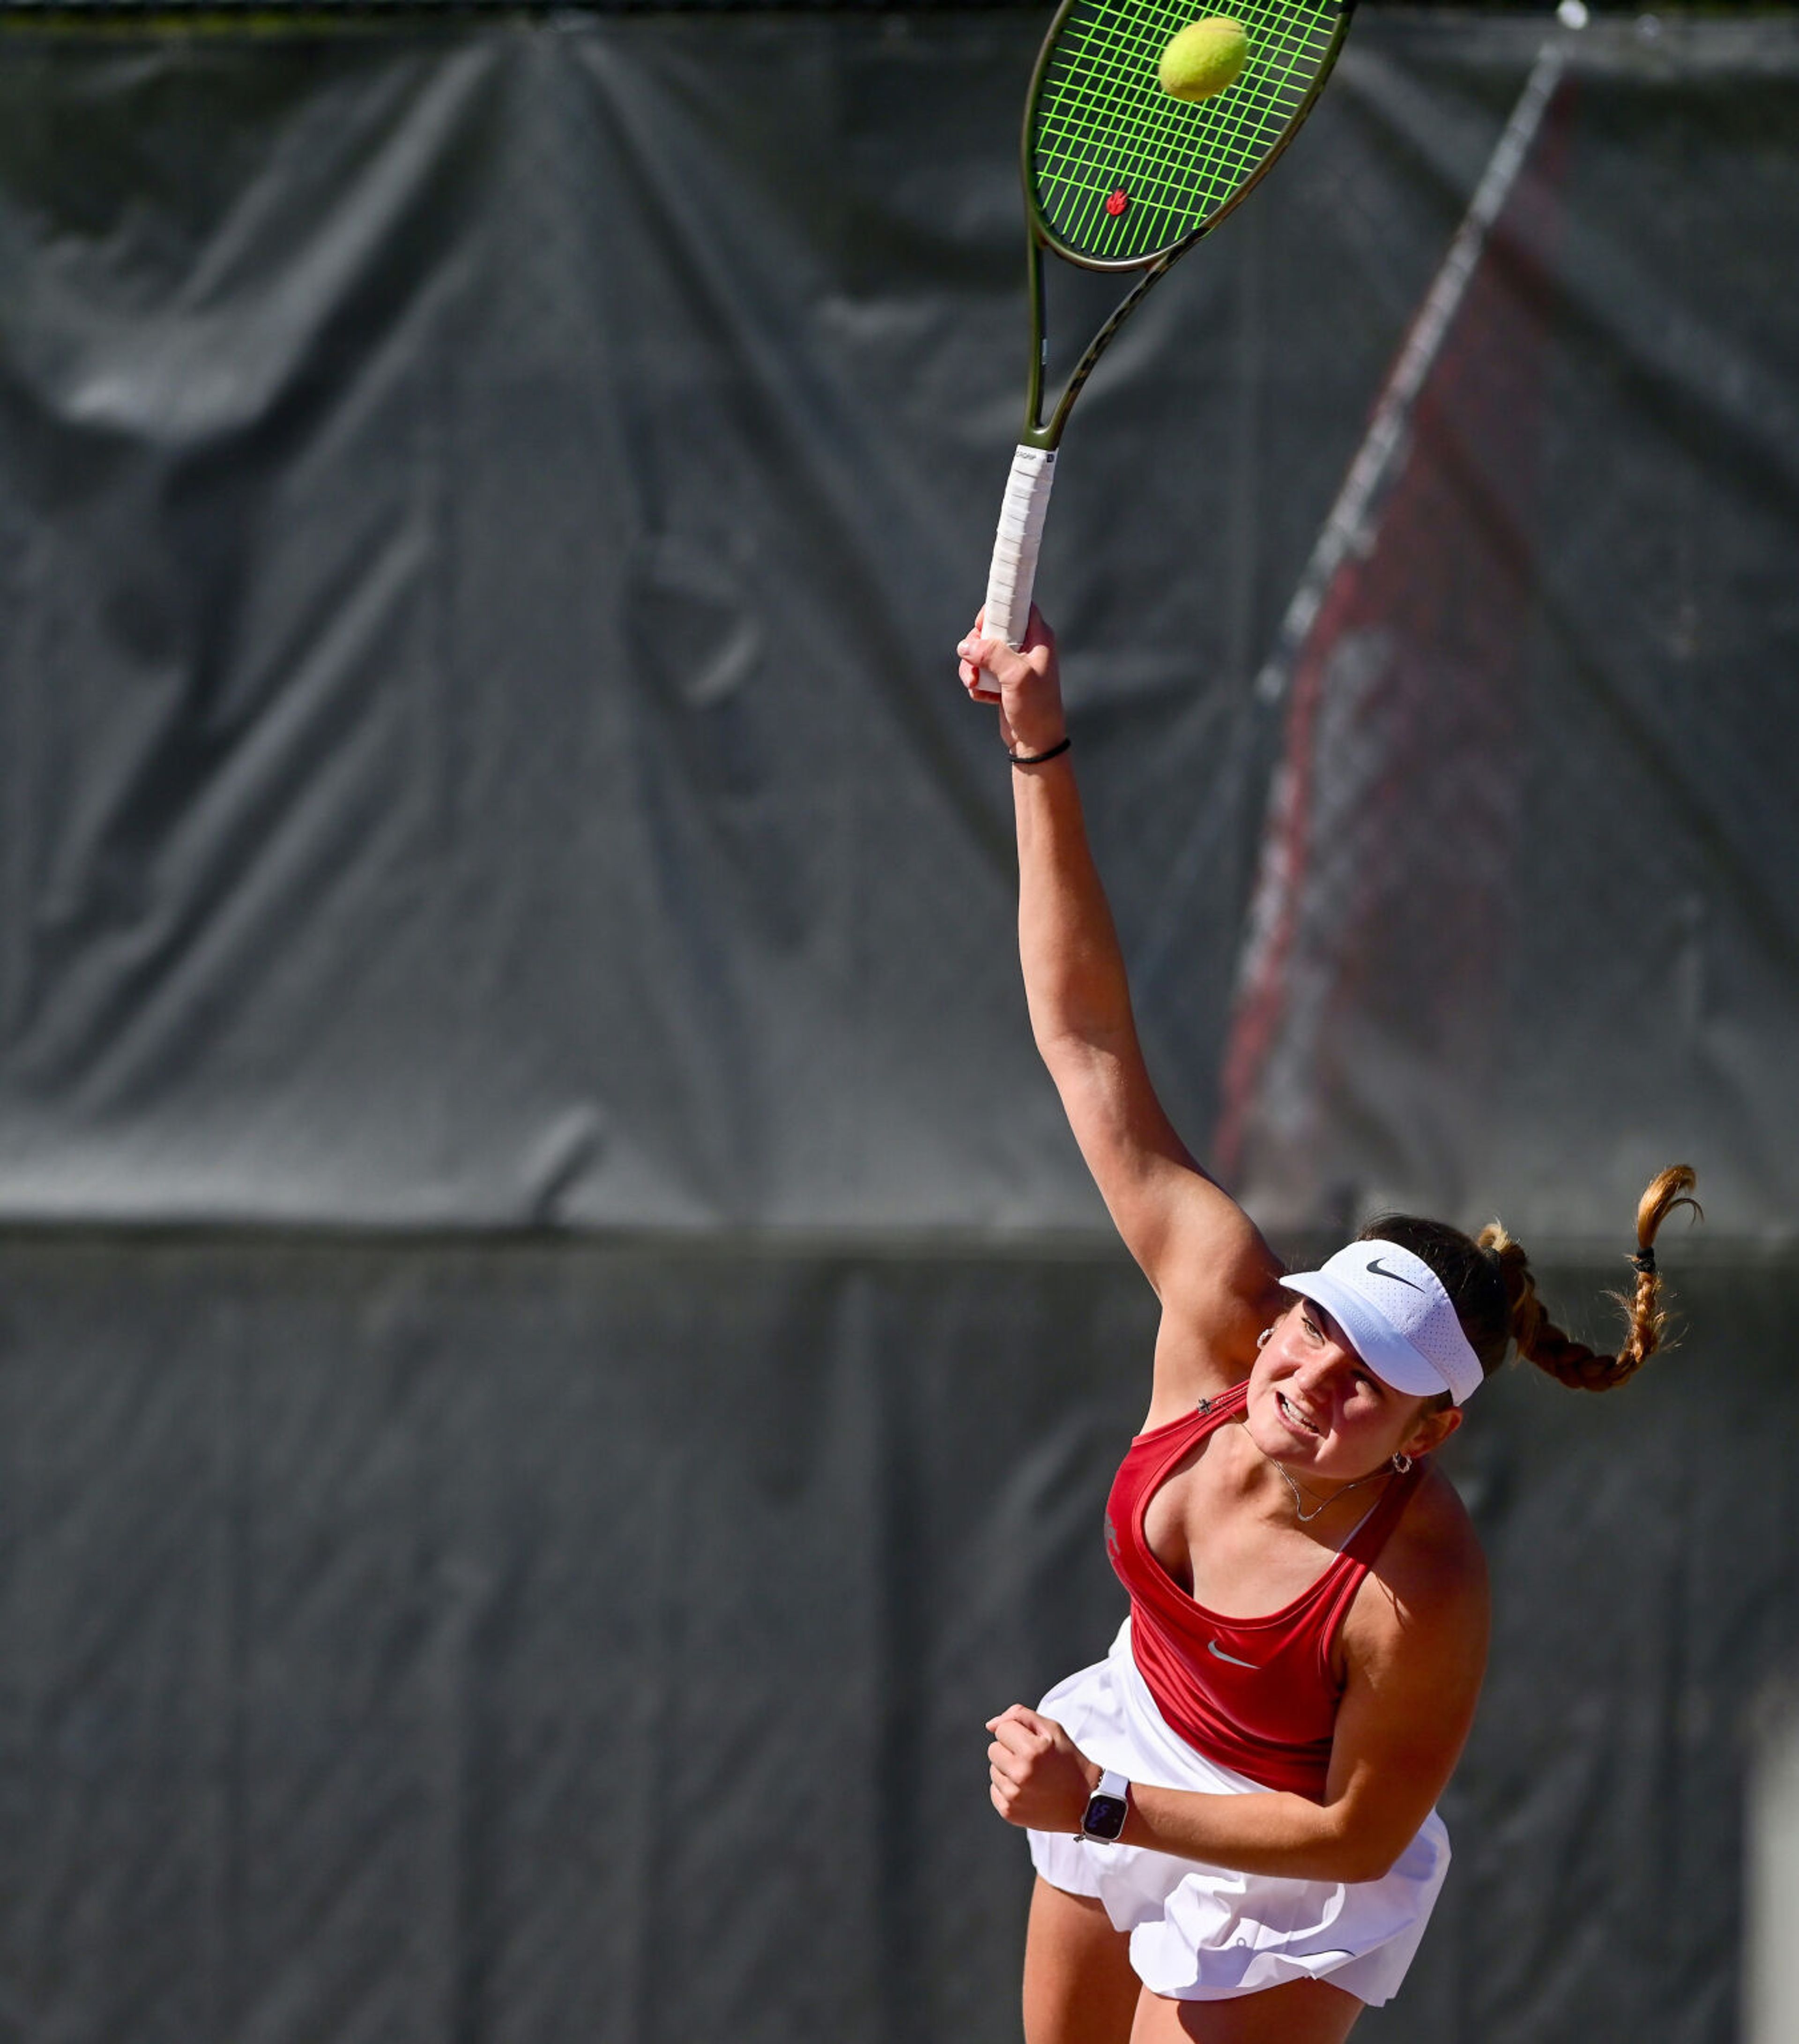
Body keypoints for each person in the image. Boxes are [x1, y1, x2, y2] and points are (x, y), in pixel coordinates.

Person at [954, 607, 1699, 2044]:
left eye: (1375, 1381)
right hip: (1124, 1736)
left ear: (1433, 1432)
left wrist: (1101, 1803)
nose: (1312, 1378)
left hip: (1290, 1862)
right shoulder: (1219, 1306)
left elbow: (1356, 1833)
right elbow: (1086, 1033)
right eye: (1317, 1329)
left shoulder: (1421, 1592)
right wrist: (1036, 739)